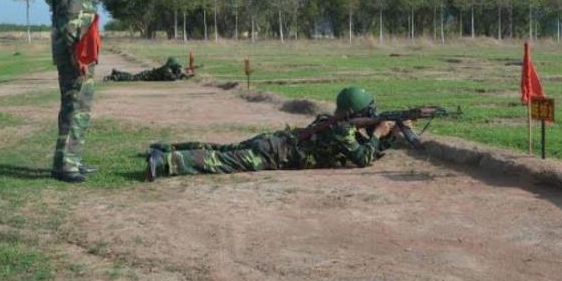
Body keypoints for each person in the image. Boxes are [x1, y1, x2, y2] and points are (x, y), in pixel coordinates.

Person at [145, 87, 401, 180]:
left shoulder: (333, 122)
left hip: (273, 142)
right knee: (221, 161)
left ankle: (167, 148)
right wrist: (380, 133)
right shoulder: (343, 130)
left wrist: (387, 134)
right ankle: (164, 161)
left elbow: (366, 152)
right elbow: (363, 158)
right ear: (357, 112)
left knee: (222, 149)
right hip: (275, 154)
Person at [48, 0, 103, 183]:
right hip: (75, 51)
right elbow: (70, 16)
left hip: (81, 48)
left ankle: (72, 158)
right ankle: (65, 164)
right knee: (74, 104)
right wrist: (78, 54)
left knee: (80, 105)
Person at [103, 57, 193, 82]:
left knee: (132, 76)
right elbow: (172, 78)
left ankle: (117, 73)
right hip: (147, 76)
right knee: (132, 78)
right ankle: (115, 77)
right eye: (176, 66)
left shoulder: (169, 69)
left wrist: (186, 75)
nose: (177, 67)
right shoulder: (167, 70)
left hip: (149, 74)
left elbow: (176, 76)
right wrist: (180, 74)